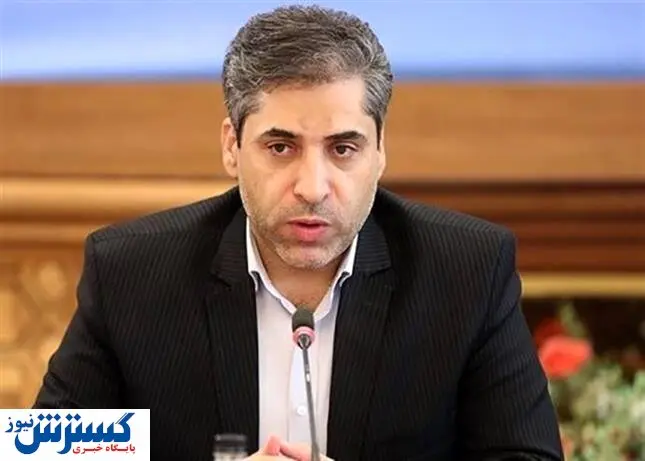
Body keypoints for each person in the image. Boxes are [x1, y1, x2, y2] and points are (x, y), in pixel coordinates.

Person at [34, 4, 563, 461]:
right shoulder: (131, 275)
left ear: (381, 151)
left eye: (343, 148)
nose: (312, 187)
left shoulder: (466, 273)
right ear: (232, 146)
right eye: (280, 147)